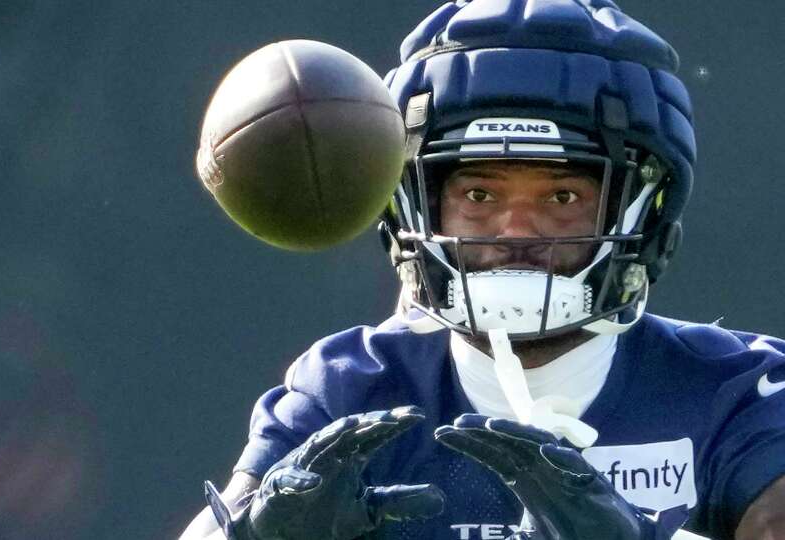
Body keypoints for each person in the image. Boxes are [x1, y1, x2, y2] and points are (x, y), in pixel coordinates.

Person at [180, 1, 785, 539]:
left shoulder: (739, 395)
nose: (515, 230)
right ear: (414, 204)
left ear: (642, 212)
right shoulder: (347, 388)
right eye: (478, 195)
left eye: (561, 197)